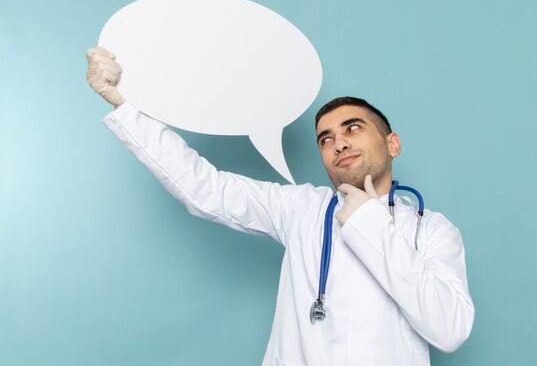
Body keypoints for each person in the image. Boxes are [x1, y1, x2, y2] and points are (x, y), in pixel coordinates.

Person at [85, 46, 475, 366]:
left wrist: (368, 220)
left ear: (392, 144)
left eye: (353, 128)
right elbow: (205, 188)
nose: (338, 143)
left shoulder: (434, 231)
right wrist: (124, 104)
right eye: (325, 138)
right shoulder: (301, 208)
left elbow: (450, 330)